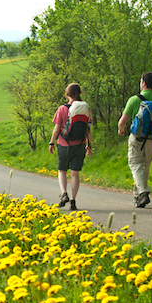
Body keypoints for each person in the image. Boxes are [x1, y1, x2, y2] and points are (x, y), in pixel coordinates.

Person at [117, 72, 152, 208]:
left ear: (143, 82)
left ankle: (143, 192)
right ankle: (138, 197)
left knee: (135, 164)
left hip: (137, 137)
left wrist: (121, 129)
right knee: (145, 165)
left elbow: (123, 121)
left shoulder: (135, 99)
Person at [48, 83, 93, 211]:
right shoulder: (86, 108)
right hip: (80, 145)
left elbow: (57, 128)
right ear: (80, 93)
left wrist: (52, 143)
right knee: (75, 174)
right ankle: (73, 200)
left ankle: (64, 193)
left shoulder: (62, 109)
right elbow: (88, 129)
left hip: (64, 144)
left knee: (62, 170)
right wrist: (89, 145)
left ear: (67, 94)